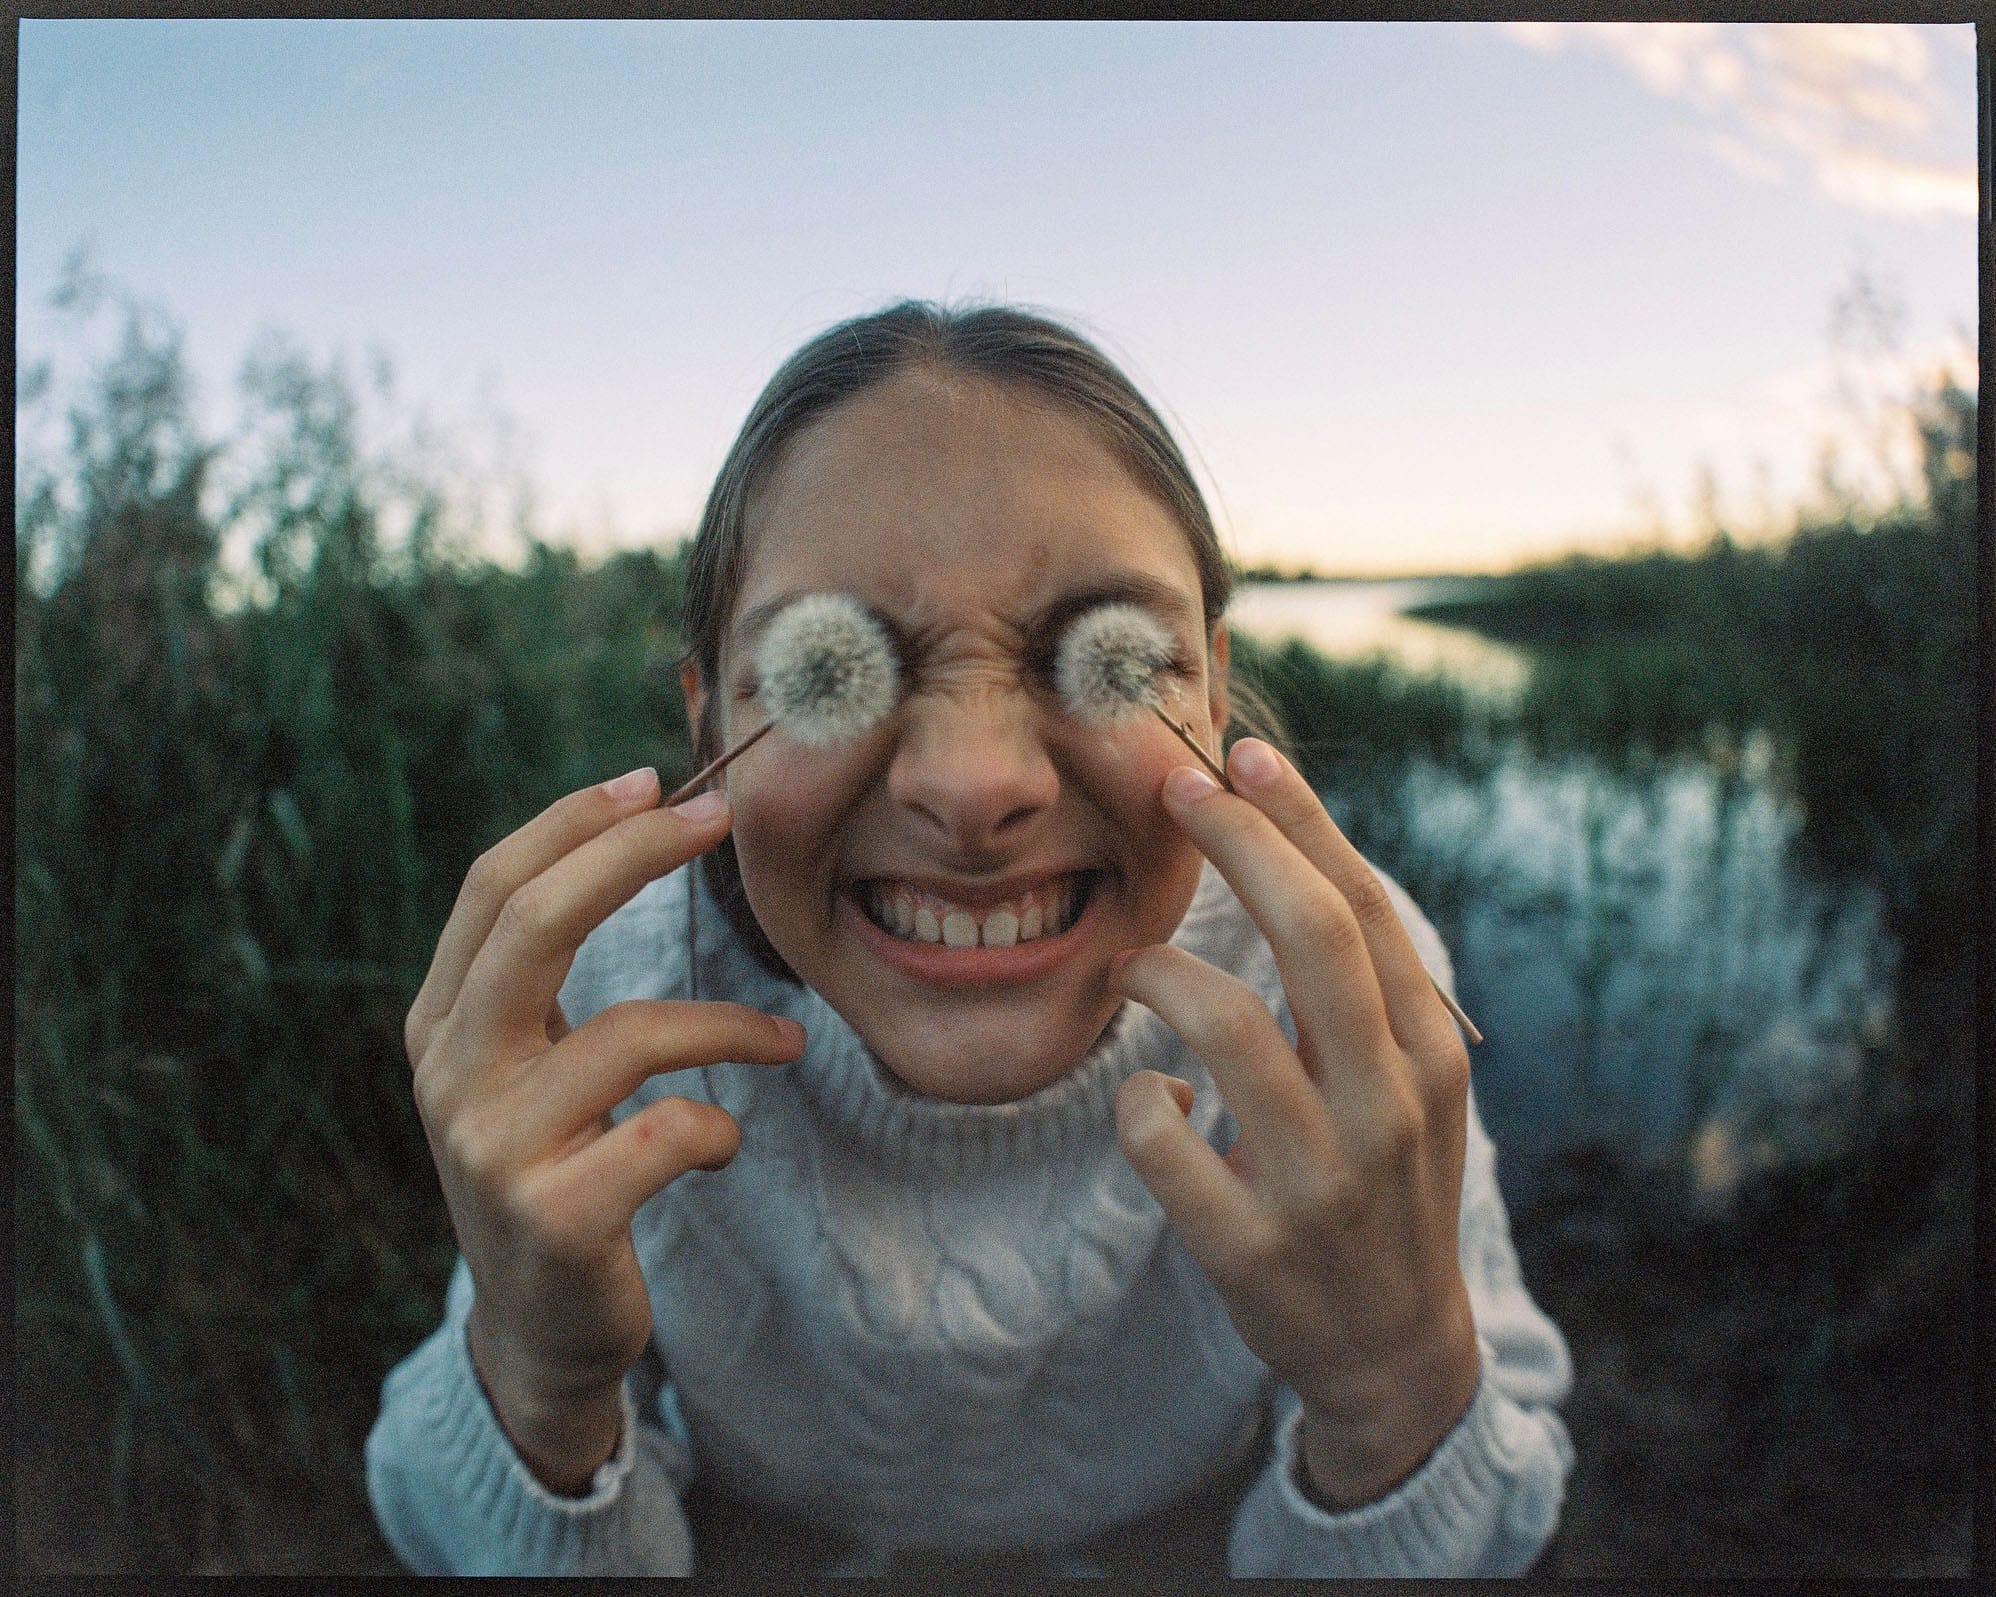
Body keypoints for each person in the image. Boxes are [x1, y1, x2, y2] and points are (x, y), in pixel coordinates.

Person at [364, 301, 1573, 1577]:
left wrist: (1393, 1384)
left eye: (1111, 660)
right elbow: (440, 1507)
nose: (973, 784)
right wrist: (536, 1381)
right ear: (707, 710)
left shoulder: (1338, 995)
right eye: (828, 669)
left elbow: (1497, 1486)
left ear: (1212, 691)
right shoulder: (603, 1001)